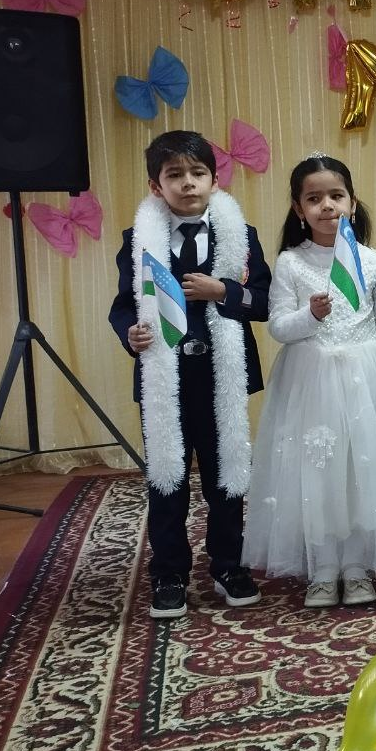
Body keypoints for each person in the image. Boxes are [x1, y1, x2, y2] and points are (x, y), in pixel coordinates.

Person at [243, 154, 376, 607]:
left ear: (352, 201)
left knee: (359, 475)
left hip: (363, 381)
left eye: (336, 196)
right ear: (299, 209)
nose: (327, 206)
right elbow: (278, 327)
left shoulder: (372, 261)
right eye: (314, 199)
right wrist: (310, 316)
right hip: (310, 383)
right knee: (317, 474)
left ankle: (356, 566)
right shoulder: (291, 263)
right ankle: (324, 568)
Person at [108, 130, 271, 620]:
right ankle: (169, 572)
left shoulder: (241, 236)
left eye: (198, 173)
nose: (188, 183)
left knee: (226, 477)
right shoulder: (138, 241)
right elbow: (123, 307)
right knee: (168, 479)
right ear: (155, 186)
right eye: (174, 175)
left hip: (221, 377)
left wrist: (223, 291)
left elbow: (263, 301)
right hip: (165, 378)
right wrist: (130, 333)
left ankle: (228, 565)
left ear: (214, 180)